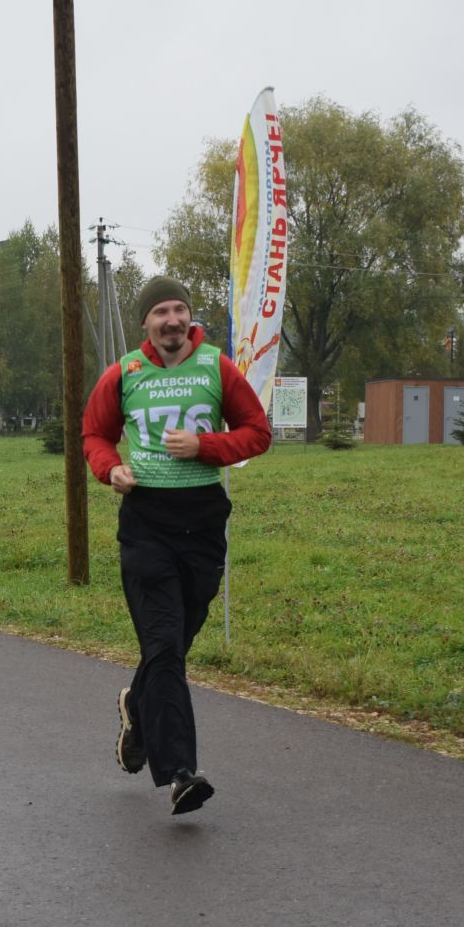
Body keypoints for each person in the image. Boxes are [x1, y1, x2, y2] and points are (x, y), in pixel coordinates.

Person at [81, 276, 272, 815]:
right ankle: (180, 773)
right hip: (146, 523)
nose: (172, 320)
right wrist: (110, 468)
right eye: (161, 311)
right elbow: (94, 434)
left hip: (203, 522)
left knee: (173, 645)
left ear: (190, 318)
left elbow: (257, 433)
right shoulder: (124, 374)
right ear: (145, 322)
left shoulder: (217, 367)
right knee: (164, 647)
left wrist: (205, 446)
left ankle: (138, 708)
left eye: (179, 310)